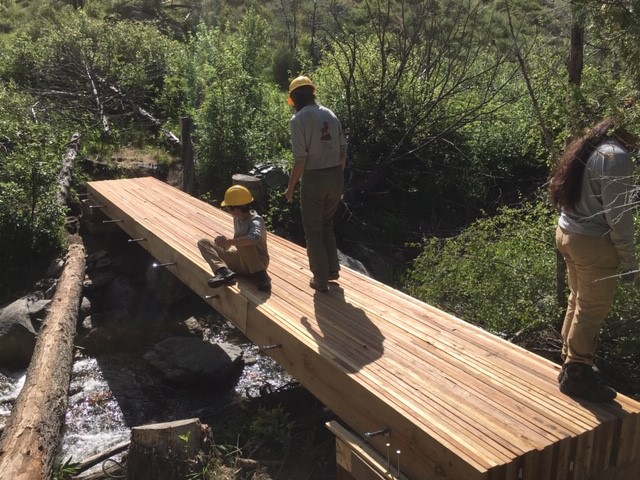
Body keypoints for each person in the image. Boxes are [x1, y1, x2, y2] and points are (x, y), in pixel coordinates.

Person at [549, 116, 639, 402]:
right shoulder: (618, 157)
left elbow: (597, 196)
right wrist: (630, 262)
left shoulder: (596, 146)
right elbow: (618, 218)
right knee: (591, 308)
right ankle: (577, 374)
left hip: (568, 232)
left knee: (577, 300)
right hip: (593, 244)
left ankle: (571, 363)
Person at [285, 75, 348, 292]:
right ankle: (332, 270)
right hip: (336, 176)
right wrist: (337, 175)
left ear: (293, 99)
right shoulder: (330, 114)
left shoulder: (298, 120)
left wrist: (291, 187)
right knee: (326, 224)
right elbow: (343, 150)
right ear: (313, 93)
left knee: (312, 230)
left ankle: (320, 280)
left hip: (314, 177)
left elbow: (300, 160)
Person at [198, 185, 271, 291]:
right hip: (241, 261)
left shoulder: (256, 220)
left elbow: (253, 238)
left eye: (228, 207)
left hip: (258, 262)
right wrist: (224, 243)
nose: (227, 209)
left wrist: (229, 241)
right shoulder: (237, 219)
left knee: (244, 241)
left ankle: (261, 277)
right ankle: (223, 271)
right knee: (203, 242)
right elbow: (234, 243)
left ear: (236, 208)